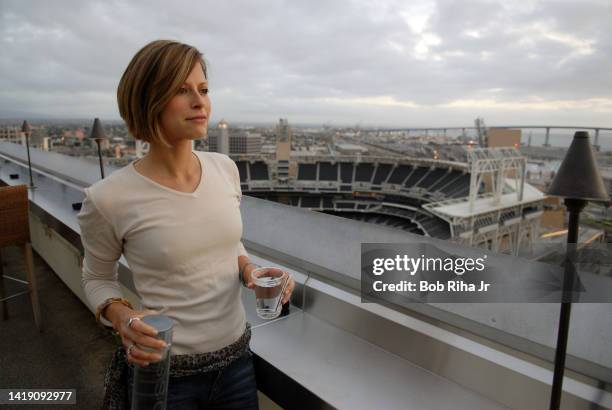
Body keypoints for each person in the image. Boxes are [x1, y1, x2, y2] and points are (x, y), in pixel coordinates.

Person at [77, 39, 295, 410]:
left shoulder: (224, 169)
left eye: (204, 89)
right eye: (182, 90)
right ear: (149, 100)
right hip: (165, 375)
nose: (200, 101)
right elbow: (96, 278)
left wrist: (249, 270)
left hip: (237, 363)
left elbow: (228, 244)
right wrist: (123, 317)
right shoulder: (108, 198)